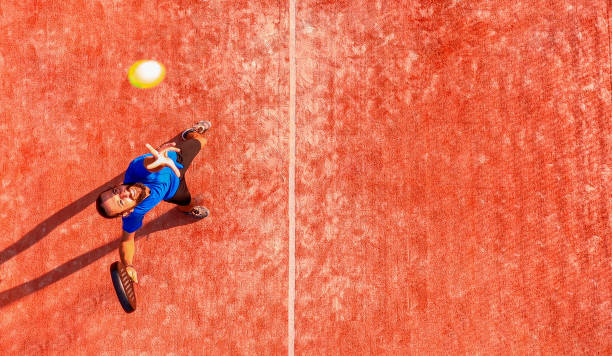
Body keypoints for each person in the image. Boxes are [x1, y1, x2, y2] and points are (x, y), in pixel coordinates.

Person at [95, 121, 212, 283]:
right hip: (173, 191)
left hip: (176, 161)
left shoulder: (135, 169)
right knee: (186, 203)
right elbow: (127, 240)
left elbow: (148, 166)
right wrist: (128, 265)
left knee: (202, 141)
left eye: (116, 191)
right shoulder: (134, 215)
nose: (123, 193)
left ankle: (190, 133)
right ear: (127, 212)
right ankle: (187, 209)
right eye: (121, 202)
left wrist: (157, 162)